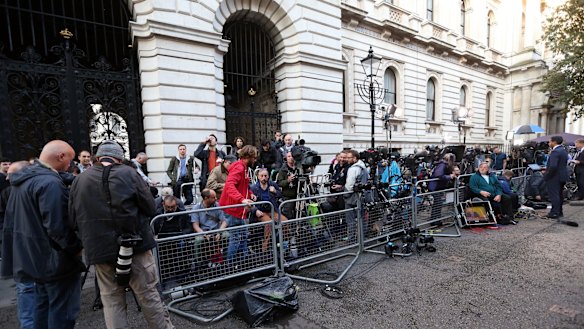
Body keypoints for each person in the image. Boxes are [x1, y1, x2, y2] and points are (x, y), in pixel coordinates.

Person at [69, 140, 174, 329]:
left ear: (97, 157)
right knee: (149, 296)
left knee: (111, 301)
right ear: (119, 158)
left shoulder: (80, 180)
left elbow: (73, 218)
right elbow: (150, 208)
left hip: (100, 250)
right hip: (136, 246)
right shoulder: (129, 173)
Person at [8, 140, 84, 329]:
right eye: (70, 160)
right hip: (55, 262)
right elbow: (58, 228)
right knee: (63, 313)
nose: (71, 165)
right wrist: (77, 249)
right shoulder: (49, 184)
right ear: (61, 157)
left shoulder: (24, 180)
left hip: (34, 259)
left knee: (42, 309)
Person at [0, 161, 35, 329]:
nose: (7, 177)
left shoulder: (27, 190)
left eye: (11, 174)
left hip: (23, 251)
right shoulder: (10, 192)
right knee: (27, 293)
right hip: (24, 251)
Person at [219, 145, 257, 262]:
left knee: (243, 235)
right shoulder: (240, 168)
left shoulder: (243, 167)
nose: (255, 160)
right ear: (248, 156)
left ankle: (243, 261)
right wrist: (242, 199)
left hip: (237, 208)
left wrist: (249, 193)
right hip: (233, 208)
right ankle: (230, 266)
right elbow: (230, 185)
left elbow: (242, 186)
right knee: (236, 237)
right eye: (254, 157)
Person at [250, 168, 288, 251]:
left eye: (265, 176)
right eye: (262, 176)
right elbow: (249, 203)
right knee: (269, 224)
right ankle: (265, 248)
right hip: (261, 211)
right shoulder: (253, 188)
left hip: (272, 210)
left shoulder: (272, 185)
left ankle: (282, 243)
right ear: (258, 177)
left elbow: (280, 195)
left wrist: (275, 192)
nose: (264, 178)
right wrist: (255, 210)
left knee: (285, 221)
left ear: (268, 177)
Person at [191, 189, 229, 263]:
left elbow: (225, 221)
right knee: (198, 240)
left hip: (217, 229)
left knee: (226, 235)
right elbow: (195, 225)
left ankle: (225, 259)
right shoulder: (196, 208)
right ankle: (199, 263)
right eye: (213, 197)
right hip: (203, 231)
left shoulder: (217, 205)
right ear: (206, 198)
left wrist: (219, 232)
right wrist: (203, 234)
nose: (216, 199)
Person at [344, 150, 369, 242]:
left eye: (349, 157)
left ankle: (351, 237)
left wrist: (345, 194)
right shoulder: (363, 167)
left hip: (352, 197)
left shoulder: (353, 169)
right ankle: (362, 236)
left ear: (354, 158)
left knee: (350, 217)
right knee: (361, 217)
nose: (347, 159)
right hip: (362, 196)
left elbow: (349, 184)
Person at [544, 136, 569, 218]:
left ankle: (555, 212)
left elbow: (553, 166)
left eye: (550, 142)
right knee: (559, 194)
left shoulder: (555, 152)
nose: (549, 143)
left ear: (554, 142)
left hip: (555, 176)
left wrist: (547, 175)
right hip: (562, 175)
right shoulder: (563, 150)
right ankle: (559, 211)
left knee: (554, 195)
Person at [428, 153, 457, 224]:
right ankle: (435, 221)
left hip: (437, 186)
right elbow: (439, 175)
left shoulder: (443, 164)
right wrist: (449, 176)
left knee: (438, 204)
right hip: (435, 187)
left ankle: (436, 220)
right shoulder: (442, 165)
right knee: (438, 203)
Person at [277, 151, 300, 219]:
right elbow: (279, 183)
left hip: (298, 195)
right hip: (287, 197)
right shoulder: (283, 170)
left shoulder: (298, 168)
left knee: (298, 214)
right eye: (289, 156)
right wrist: (288, 180)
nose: (291, 158)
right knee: (288, 215)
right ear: (286, 158)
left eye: (292, 156)